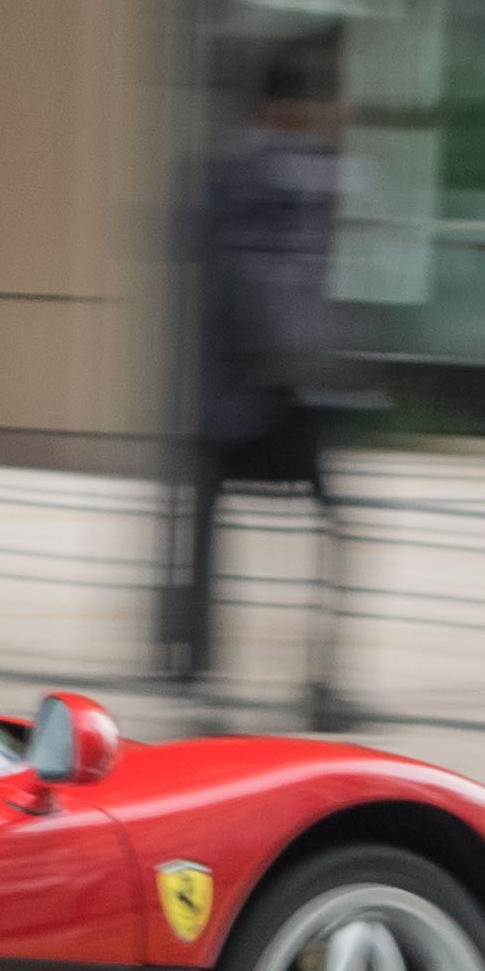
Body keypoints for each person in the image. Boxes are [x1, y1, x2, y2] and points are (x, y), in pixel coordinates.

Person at [188, 38, 370, 733]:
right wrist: (300, 366)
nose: (337, 110)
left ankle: (234, 691)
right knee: (325, 533)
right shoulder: (288, 172)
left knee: (242, 535)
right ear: (291, 102)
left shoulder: (230, 166)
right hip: (274, 390)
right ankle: (305, 684)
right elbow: (266, 277)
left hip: (242, 387)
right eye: (325, 96)